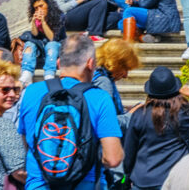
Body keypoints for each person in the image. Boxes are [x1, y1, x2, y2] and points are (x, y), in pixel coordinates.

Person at [19, 33, 125, 190]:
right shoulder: (100, 98)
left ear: (58, 63)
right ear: (90, 64)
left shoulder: (31, 92)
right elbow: (113, 159)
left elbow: (26, 143)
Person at [128, 68, 189, 190]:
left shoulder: (140, 114)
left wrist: (126, 175)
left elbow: (130, 149)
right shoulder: (184, 113)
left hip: (144, 179)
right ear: (176, 90)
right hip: (177, 178)